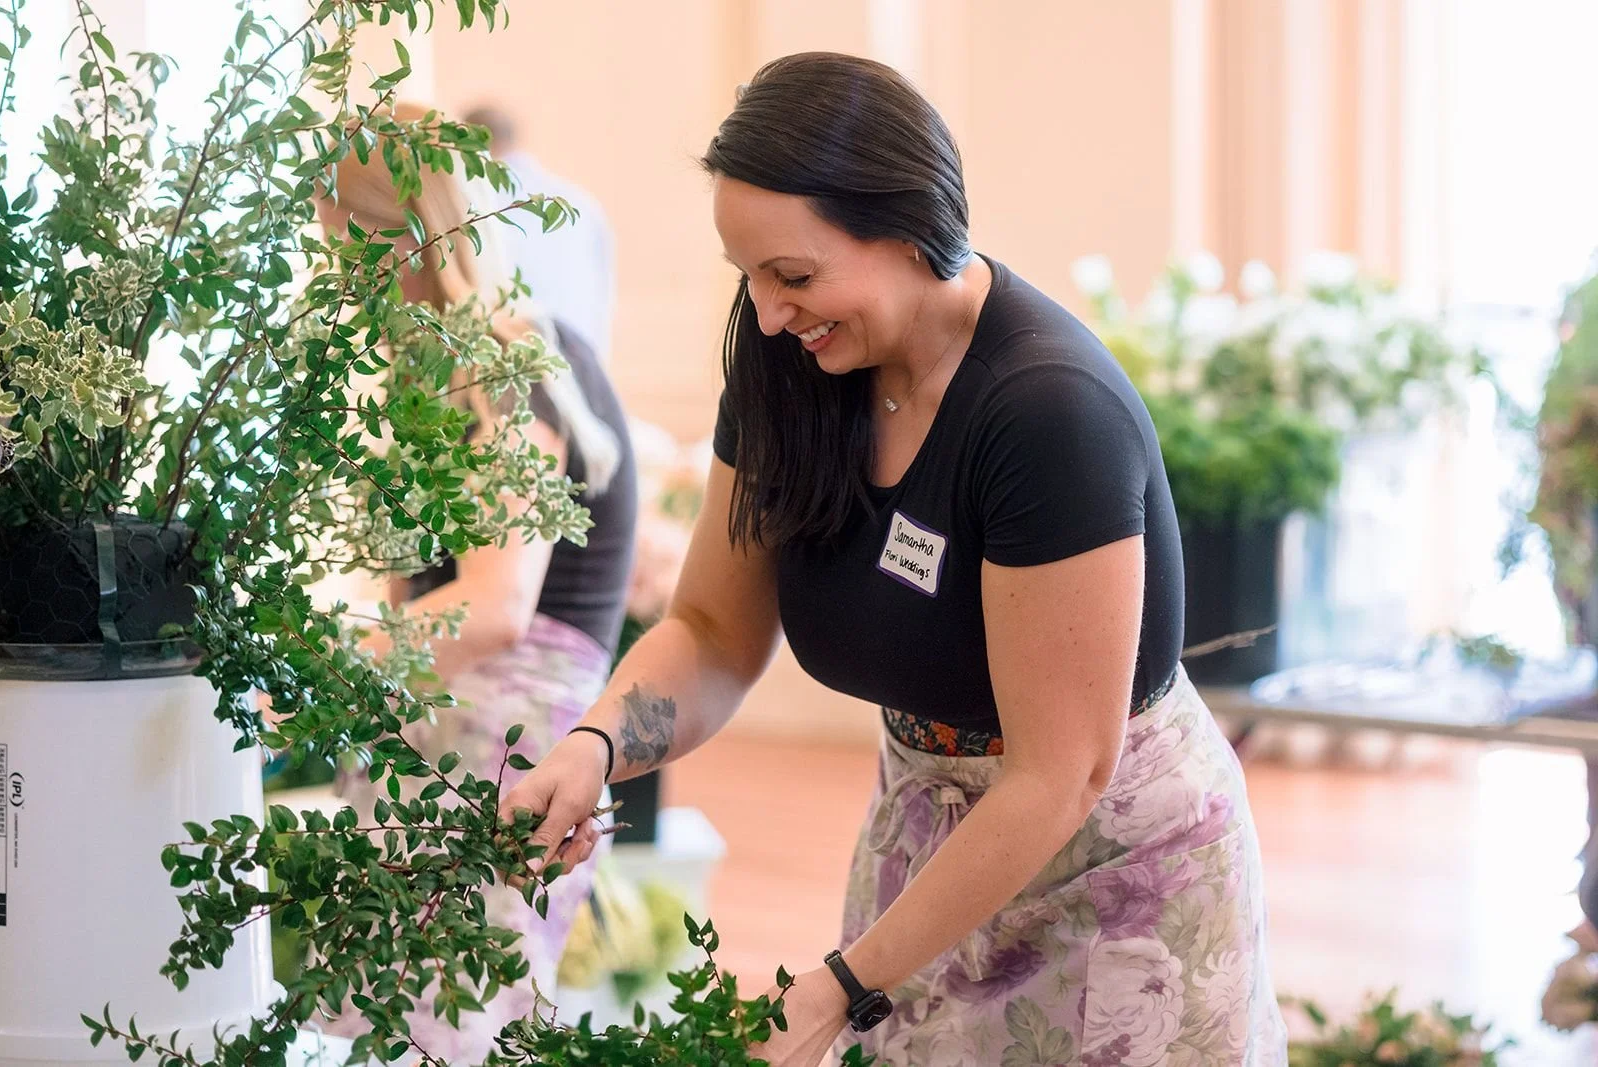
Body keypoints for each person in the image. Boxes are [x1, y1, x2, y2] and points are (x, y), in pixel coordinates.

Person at [505, 53, 1286, 1066]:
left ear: (911, 225)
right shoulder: (788, 359)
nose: (771, 311)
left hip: (1112, 870)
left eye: (794, 274)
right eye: (747, 275)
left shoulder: (1046, 411)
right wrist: (596, 742)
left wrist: (841, 982)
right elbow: (710, 629)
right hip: (929, 845)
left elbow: (1062, 771)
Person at [313, 101, 638, 1061]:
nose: (341, 278)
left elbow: (497, 606)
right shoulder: (482, 359)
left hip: (497, 752)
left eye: (346, 248)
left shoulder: (502, 360)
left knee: (450, 1030)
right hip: (462, 745)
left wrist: (319, 664)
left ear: (399, 240)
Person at [462, 103, 617, 366]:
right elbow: (603, 295)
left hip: (510, 368)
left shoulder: (474, 204)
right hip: (584, 367)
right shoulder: (582, 203)